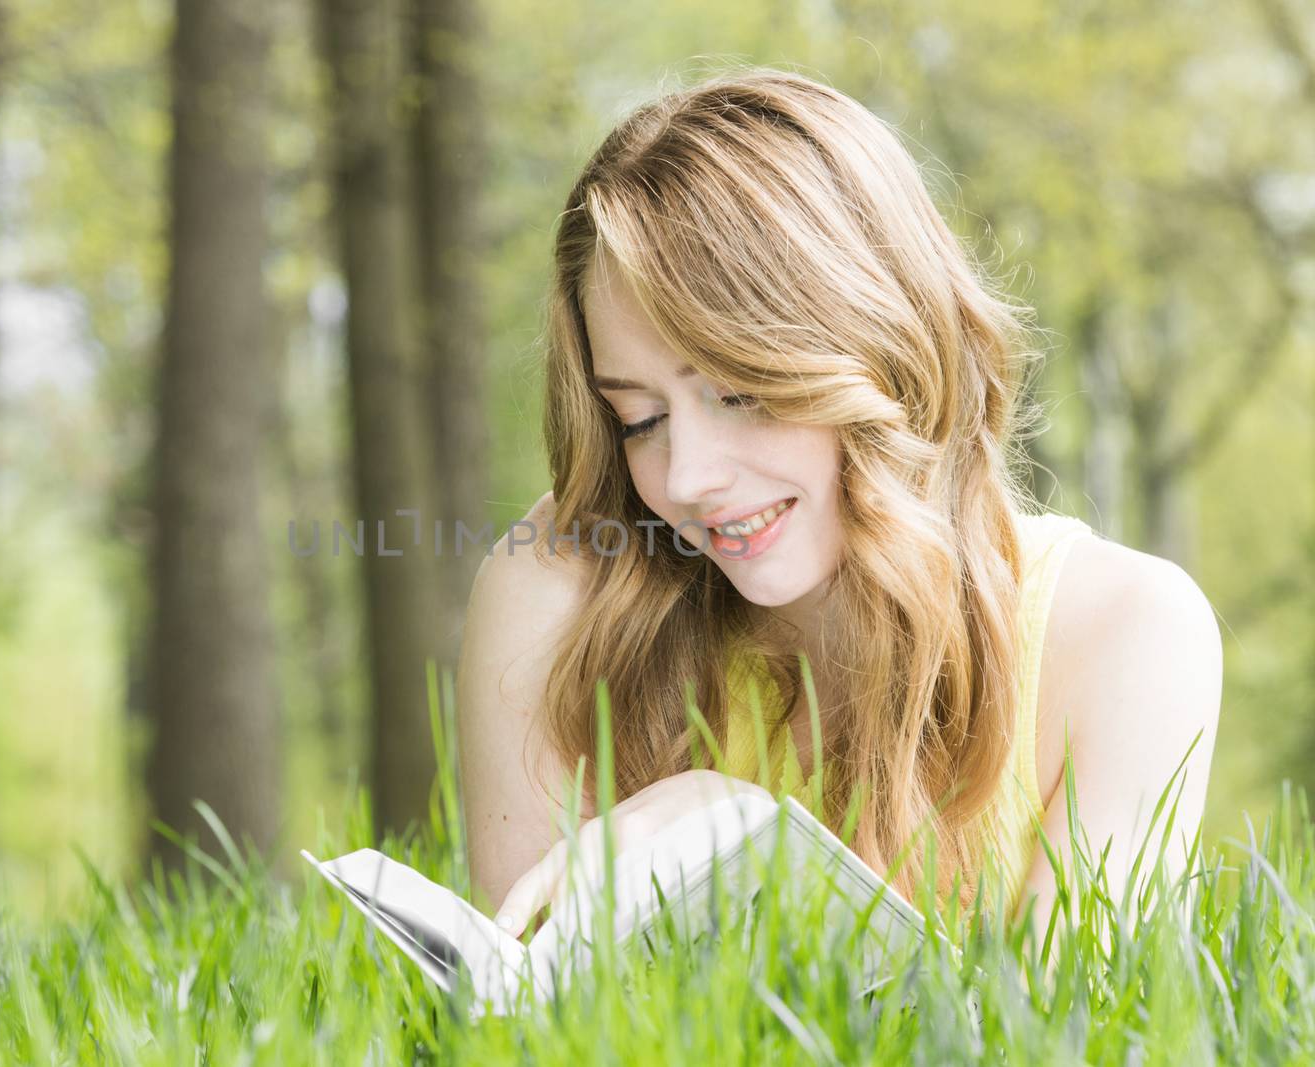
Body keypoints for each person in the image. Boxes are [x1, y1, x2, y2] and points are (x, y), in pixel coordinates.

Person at [455, 67, 1222, 945]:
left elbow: (1072, 1037)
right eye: (642, 418)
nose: (689, 476)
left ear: (884, 347)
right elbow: (518, 1009)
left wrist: (758, 842)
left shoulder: (1127, 635)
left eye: (742, 393)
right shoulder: (561, 595)